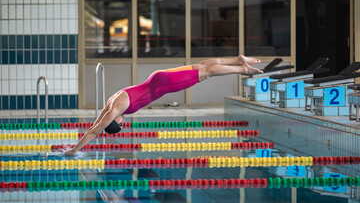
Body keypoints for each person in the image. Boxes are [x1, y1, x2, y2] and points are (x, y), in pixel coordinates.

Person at [65, 55, 262, 155]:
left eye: (121, 123)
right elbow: (93, 126)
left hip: (163, 84)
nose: (124, 121)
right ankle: (238, 60)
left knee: (206, 73)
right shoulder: (109, 105)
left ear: (114, 121)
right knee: (202, 66)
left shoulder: (115, 110)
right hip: (157, 79)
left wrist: (74, 150)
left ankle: (241, 69)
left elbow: (93, 131)